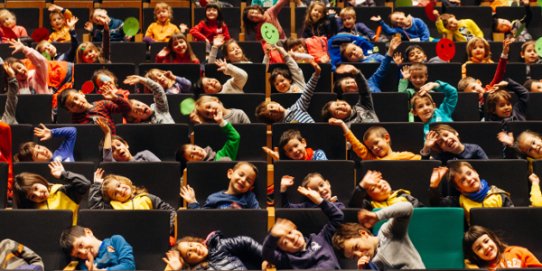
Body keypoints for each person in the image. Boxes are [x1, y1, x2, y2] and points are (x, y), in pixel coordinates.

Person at [262, 186, 344, 269]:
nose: (292, 238)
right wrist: (273, 236)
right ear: (284, 251)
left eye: (290, 232)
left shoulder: (322, 238)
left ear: (295, 228)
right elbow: (267, 253)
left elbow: (338, 217)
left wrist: (320, 201)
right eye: (285, 242)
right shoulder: (287, 260)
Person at [332, 202, 425, 269]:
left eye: (356, 247)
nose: (359, 254)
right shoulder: (372, 264)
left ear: (363, 234)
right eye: (354, 257)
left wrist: (377, 216)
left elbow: (407, 208)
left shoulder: (388, 233)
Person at [89, 169, 176, 233]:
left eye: (119, 185)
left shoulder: (147, 197)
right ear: (113, 199)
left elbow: (171, 212)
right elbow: (95, 208)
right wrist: (96, 184)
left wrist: (165, 231)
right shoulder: (113, 207)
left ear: (124, 181)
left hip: (153, 234)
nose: (120, 190)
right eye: (115, 193)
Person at [13, 161, 91, 224]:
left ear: (38, 180)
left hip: (71, 237)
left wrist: (63, 174)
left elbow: (85, 184)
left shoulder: (63, 191)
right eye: (33, 196)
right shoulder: (32, 209)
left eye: (36, 188)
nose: (38, 194)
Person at [429, 162, 514, 220]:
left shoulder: (500, 195)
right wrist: (434, 186)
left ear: (476, 172)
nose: (469, 179)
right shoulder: (459, 201)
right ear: (459, 188)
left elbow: (512, 219)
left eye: (469, 173)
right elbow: (437, 204)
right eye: (462, 180)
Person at [255, 60, 321, 124]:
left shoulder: (296, 108)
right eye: (271, 114)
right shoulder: (281, 127)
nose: (275, 110)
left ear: (276, 103)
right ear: (272, 120)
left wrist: (316, 74)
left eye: (272, 107)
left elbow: (307, 92)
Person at [163, 231, 262, 270]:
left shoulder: (218, 246)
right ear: (188, 263)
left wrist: (265, 257)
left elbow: (245, 242)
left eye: (191, 244)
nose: (195, 249)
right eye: (189, 254)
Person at [329, 119, 421, 160]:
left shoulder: (404, 156)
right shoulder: (373, 159)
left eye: (376, 143)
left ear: (386, 138)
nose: (375, 148)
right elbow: (357, 146)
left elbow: (423, 161)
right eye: (371, 148)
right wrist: (342, 124)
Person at [180, 161, 260, 209]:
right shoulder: (214, 197)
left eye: (248, 181)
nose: (243, 180)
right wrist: (192, 202)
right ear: (230, 174)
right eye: (241, 175)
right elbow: (202, 218)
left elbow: (258, 217)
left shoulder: (249, 197)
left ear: (251, 187)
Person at [463, 225, 542, 270]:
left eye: (486, 241)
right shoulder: (480, 268)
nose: (486, 247)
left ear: (493, 239)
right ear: (475, 255)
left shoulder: (518, 252)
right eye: (479, 248)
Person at [59, 225, 135, 270]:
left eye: (81, 245)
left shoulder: (115, 241)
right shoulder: (85, 264)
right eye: (78, 254)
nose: (83, 252)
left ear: (88, 232)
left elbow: (129, 266)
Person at [58, 87, 131, 135]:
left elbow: (127, 109)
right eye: (72, 105)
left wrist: (115, 98)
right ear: (70, 111)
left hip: (112, 142)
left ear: (81, 93)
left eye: (76, 98)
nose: (77, 103)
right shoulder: (76, 121)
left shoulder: (102, 104)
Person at [349, 170, 423, 210]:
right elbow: (353, 208)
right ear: (368, 196)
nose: (380, 185)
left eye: (379, 181)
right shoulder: (369, 206)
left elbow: (422, 214)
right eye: (373, 188)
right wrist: (362, 186)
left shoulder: (405, 197)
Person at [421, 124, 488, 164]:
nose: (446, 140)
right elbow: (425, 168)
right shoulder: (442, 157)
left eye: (446, 135)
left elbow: (488, 167)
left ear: (455, 133)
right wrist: (426, 147)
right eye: (441, 142)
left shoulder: (475, 150)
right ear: (442, 149)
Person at [280, 172, 345, 208]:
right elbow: (287, 208)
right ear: (308, 194)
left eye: (321, 185)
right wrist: (283, 187)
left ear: (328, 184)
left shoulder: (339, 205)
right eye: (315, 190)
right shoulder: (306, 206)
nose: (321, 190)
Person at [264, 129, 328, 161]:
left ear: (303, 143)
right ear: (287, 155)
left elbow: (324, 169)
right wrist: (279, 161)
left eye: (296, 145)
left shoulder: (318, 154)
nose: (294, 150)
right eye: (290, 150)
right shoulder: (290, 164)